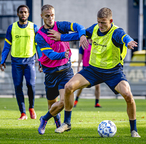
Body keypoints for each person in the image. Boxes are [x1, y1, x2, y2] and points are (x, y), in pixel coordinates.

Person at [52, 7, 141, 137]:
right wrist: (61, 37)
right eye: (98, 22)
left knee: (128, 95)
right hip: (93, 70)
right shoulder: (95, 28)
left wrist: (128, 42)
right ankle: (67, 123)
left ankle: (134, 130)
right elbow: (79, 34)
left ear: (111, 21)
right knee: (69, 87)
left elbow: (124, 37)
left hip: (113, 72)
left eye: (103, 22)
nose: (100, 25)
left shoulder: (116, 32)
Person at [36, 4, 87, 135]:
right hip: (50, 74)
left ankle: (45, 119)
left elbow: (78, 27)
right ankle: (57, 121)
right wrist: (62, 54)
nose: (50, 18)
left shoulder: (61, 26)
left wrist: (81, 35)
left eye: (52, 15)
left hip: (65, 71)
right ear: (42, 16)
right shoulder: (40, 35)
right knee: (52, 105)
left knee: (64, 102)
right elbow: (50, 55)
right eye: (47, 16)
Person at [0, 5, 41, 120]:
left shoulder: (34, 27)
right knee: (18, 86)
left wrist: (41, 61)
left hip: (30, 61)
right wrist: (3, 60)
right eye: (21, 12)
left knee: (31, 85)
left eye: (25, 12)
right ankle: (23, 113)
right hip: (16, 62)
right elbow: (7, 45)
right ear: (18, 14)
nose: (23, 14)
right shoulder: (11, 28)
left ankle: (31, 108)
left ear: (28, 14)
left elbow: (38, 46)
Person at [74, 39, 101, 108]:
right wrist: (79, 67)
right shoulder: (84, 45)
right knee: (81, 86)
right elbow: (80, 56)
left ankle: (97, 103)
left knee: (97, 86)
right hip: (86, 68)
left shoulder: (96, 45)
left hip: (95, 68)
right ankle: (76, 101)